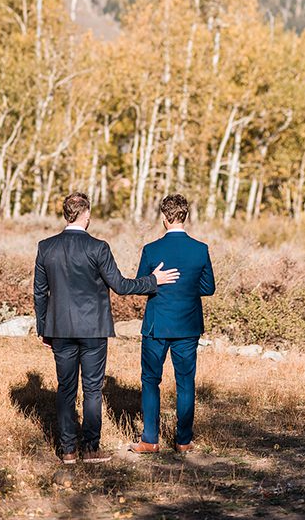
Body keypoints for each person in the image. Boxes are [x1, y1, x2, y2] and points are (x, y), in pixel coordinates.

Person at [33, 192, 180, 464]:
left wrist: (43, 327)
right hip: (93, 329)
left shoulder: (46, 247)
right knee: (92, 389)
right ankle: (90, 449)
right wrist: (153, 280)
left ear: (66, 215)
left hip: (59, 329)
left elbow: (40, 292)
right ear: (86, 215)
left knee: (65, 389)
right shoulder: (98, 247)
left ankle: (67, 450)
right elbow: (122, 286)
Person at [130, 193, 216, 455]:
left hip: (157, 325)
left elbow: (141, 286)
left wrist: (158, 281)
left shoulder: (152, 249)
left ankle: (150, 439)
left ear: (164, 219)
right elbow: (208, 287)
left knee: (150, 380)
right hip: (188, 325)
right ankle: (183, 441)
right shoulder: (200, 249)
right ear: (185, 216)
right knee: (186, 382)